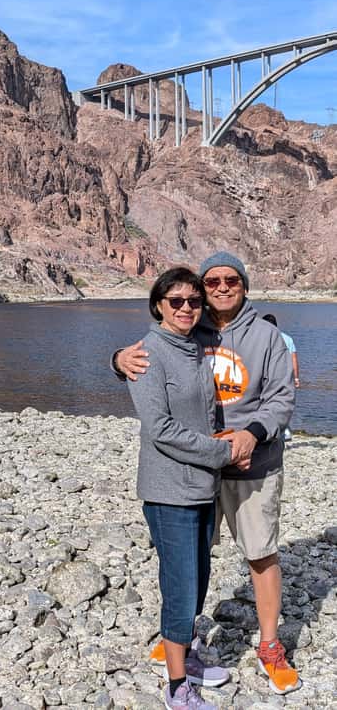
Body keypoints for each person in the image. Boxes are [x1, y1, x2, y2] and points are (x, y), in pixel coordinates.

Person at [113, 252, 299, 695]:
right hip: (197, 468)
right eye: (210, 281)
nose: (219, 287)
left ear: (244, 285)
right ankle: (182, 640)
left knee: (260, 552)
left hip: (254, 463)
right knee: (191, 561)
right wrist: (117, 358)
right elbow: (150, 359)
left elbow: (282, 398)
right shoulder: (190, 328)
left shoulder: (268, 337)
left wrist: (253, 434)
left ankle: (269, 646)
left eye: (230, 279)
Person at [128, 267, 237, 709]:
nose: (187, 308)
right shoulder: (148, 354)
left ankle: (187, 659)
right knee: (179, 586)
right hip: (169, 490)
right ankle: (177, 687)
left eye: (194, 301)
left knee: (198, 580)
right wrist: (220, 453)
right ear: (158, 305)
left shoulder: (194, 347)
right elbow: (159, 428)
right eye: (177, 301)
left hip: (201, 487)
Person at [262, 314, 298, 441]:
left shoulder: (261, 337)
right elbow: (293, 359)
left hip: (267, 377)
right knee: (284, 403)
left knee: (266, 403)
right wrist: (296, 378)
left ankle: (272, 430)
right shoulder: (287, 338)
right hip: (285, 377)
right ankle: (285, 430)